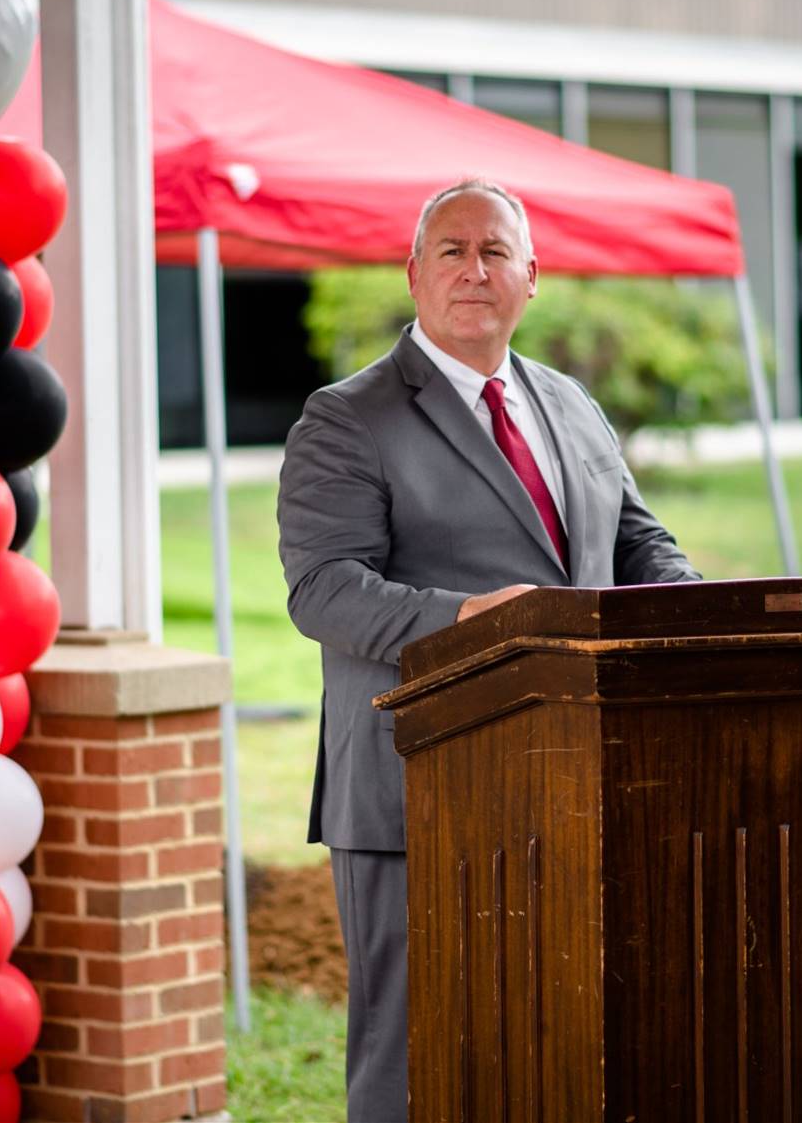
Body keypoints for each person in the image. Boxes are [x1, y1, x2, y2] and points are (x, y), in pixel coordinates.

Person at [277, 178, 700, 1120]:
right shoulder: (347, 417)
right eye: (453, 251)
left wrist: (695, 612)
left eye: (496, 251)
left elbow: (637, 542)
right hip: (413, 785)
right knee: (416, 1050)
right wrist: (475, 619)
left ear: (532, 277)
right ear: (415, 273)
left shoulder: (571, 403)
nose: (476, 270)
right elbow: (324, 590)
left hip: (573, 777)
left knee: (550, 1030)